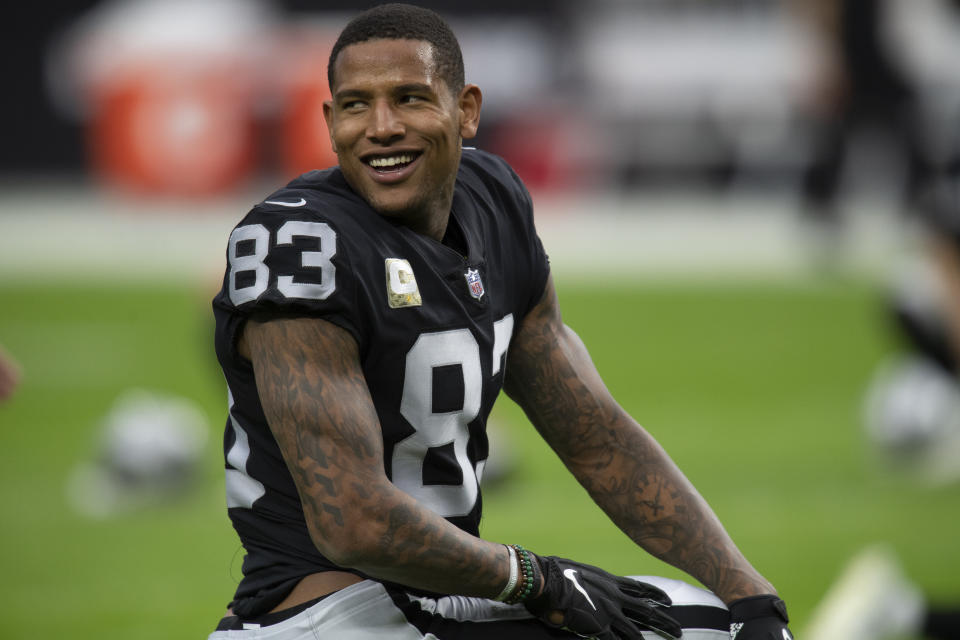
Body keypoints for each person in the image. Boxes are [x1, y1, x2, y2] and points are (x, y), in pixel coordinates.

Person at [209, 4, 792, 639]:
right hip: (332, 615)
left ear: (466, 110)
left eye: (409, 98)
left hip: (438, 598)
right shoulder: (300, 242)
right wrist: (535, 579)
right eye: (355, 105)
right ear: (329, 122)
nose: (380, 127)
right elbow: (353, 522)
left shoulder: (492, 200)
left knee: (713, 620)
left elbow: (596, 436)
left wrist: (751, 593)